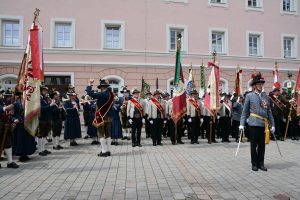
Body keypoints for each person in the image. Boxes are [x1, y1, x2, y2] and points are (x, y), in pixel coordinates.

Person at [239, 72, 275, 171]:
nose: (260, 85)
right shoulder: (249, 96)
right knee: (253, 145)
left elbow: (269, 112)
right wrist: (242, 124)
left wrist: (273, 125)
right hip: (253, 124)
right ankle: (254, 163)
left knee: (262, 146)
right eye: (258, 84)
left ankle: (261, 163)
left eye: (261, 84)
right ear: (254, 86)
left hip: (264, 124)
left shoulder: (266, 97)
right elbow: (245, 111)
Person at [86, 79, 114, 157]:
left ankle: (104, 151)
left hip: (101, 117)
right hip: (109, 117)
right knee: (108, 134)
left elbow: (89, 93)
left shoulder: (101, 94)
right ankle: (108, 150)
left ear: (102, 87)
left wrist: (90, 84)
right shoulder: (111, 94)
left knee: (101, 134)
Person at [12, 90, 36, 161]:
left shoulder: (29, 103)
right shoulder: (16, 104)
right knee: (20, 140)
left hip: (28, 124)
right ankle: (21, 155)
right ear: (21, 95)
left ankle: (26, 153)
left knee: (27, 139)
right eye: (24, 94)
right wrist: (15, 119)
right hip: (20, 124)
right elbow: (12, 115)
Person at [0, 91, 19, 168]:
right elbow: (2, 109)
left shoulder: (2, 101)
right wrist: (5, 108)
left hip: (4, 125)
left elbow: (6, 113)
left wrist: (9, 112)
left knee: (8, 143)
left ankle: (10, 162)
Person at [38, 86, 56, 156]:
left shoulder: (45, 98)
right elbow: (41, 109)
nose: (45, 92)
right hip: (42, 119)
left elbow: (48, 108)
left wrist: (52, 104)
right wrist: (50, 105)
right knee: (40, 135)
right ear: (41, 91)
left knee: (45, 134)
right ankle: (40, 150)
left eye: (46, 91)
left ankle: (43, 149)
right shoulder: (39, 98)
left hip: (47, 118)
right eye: (44, 91)